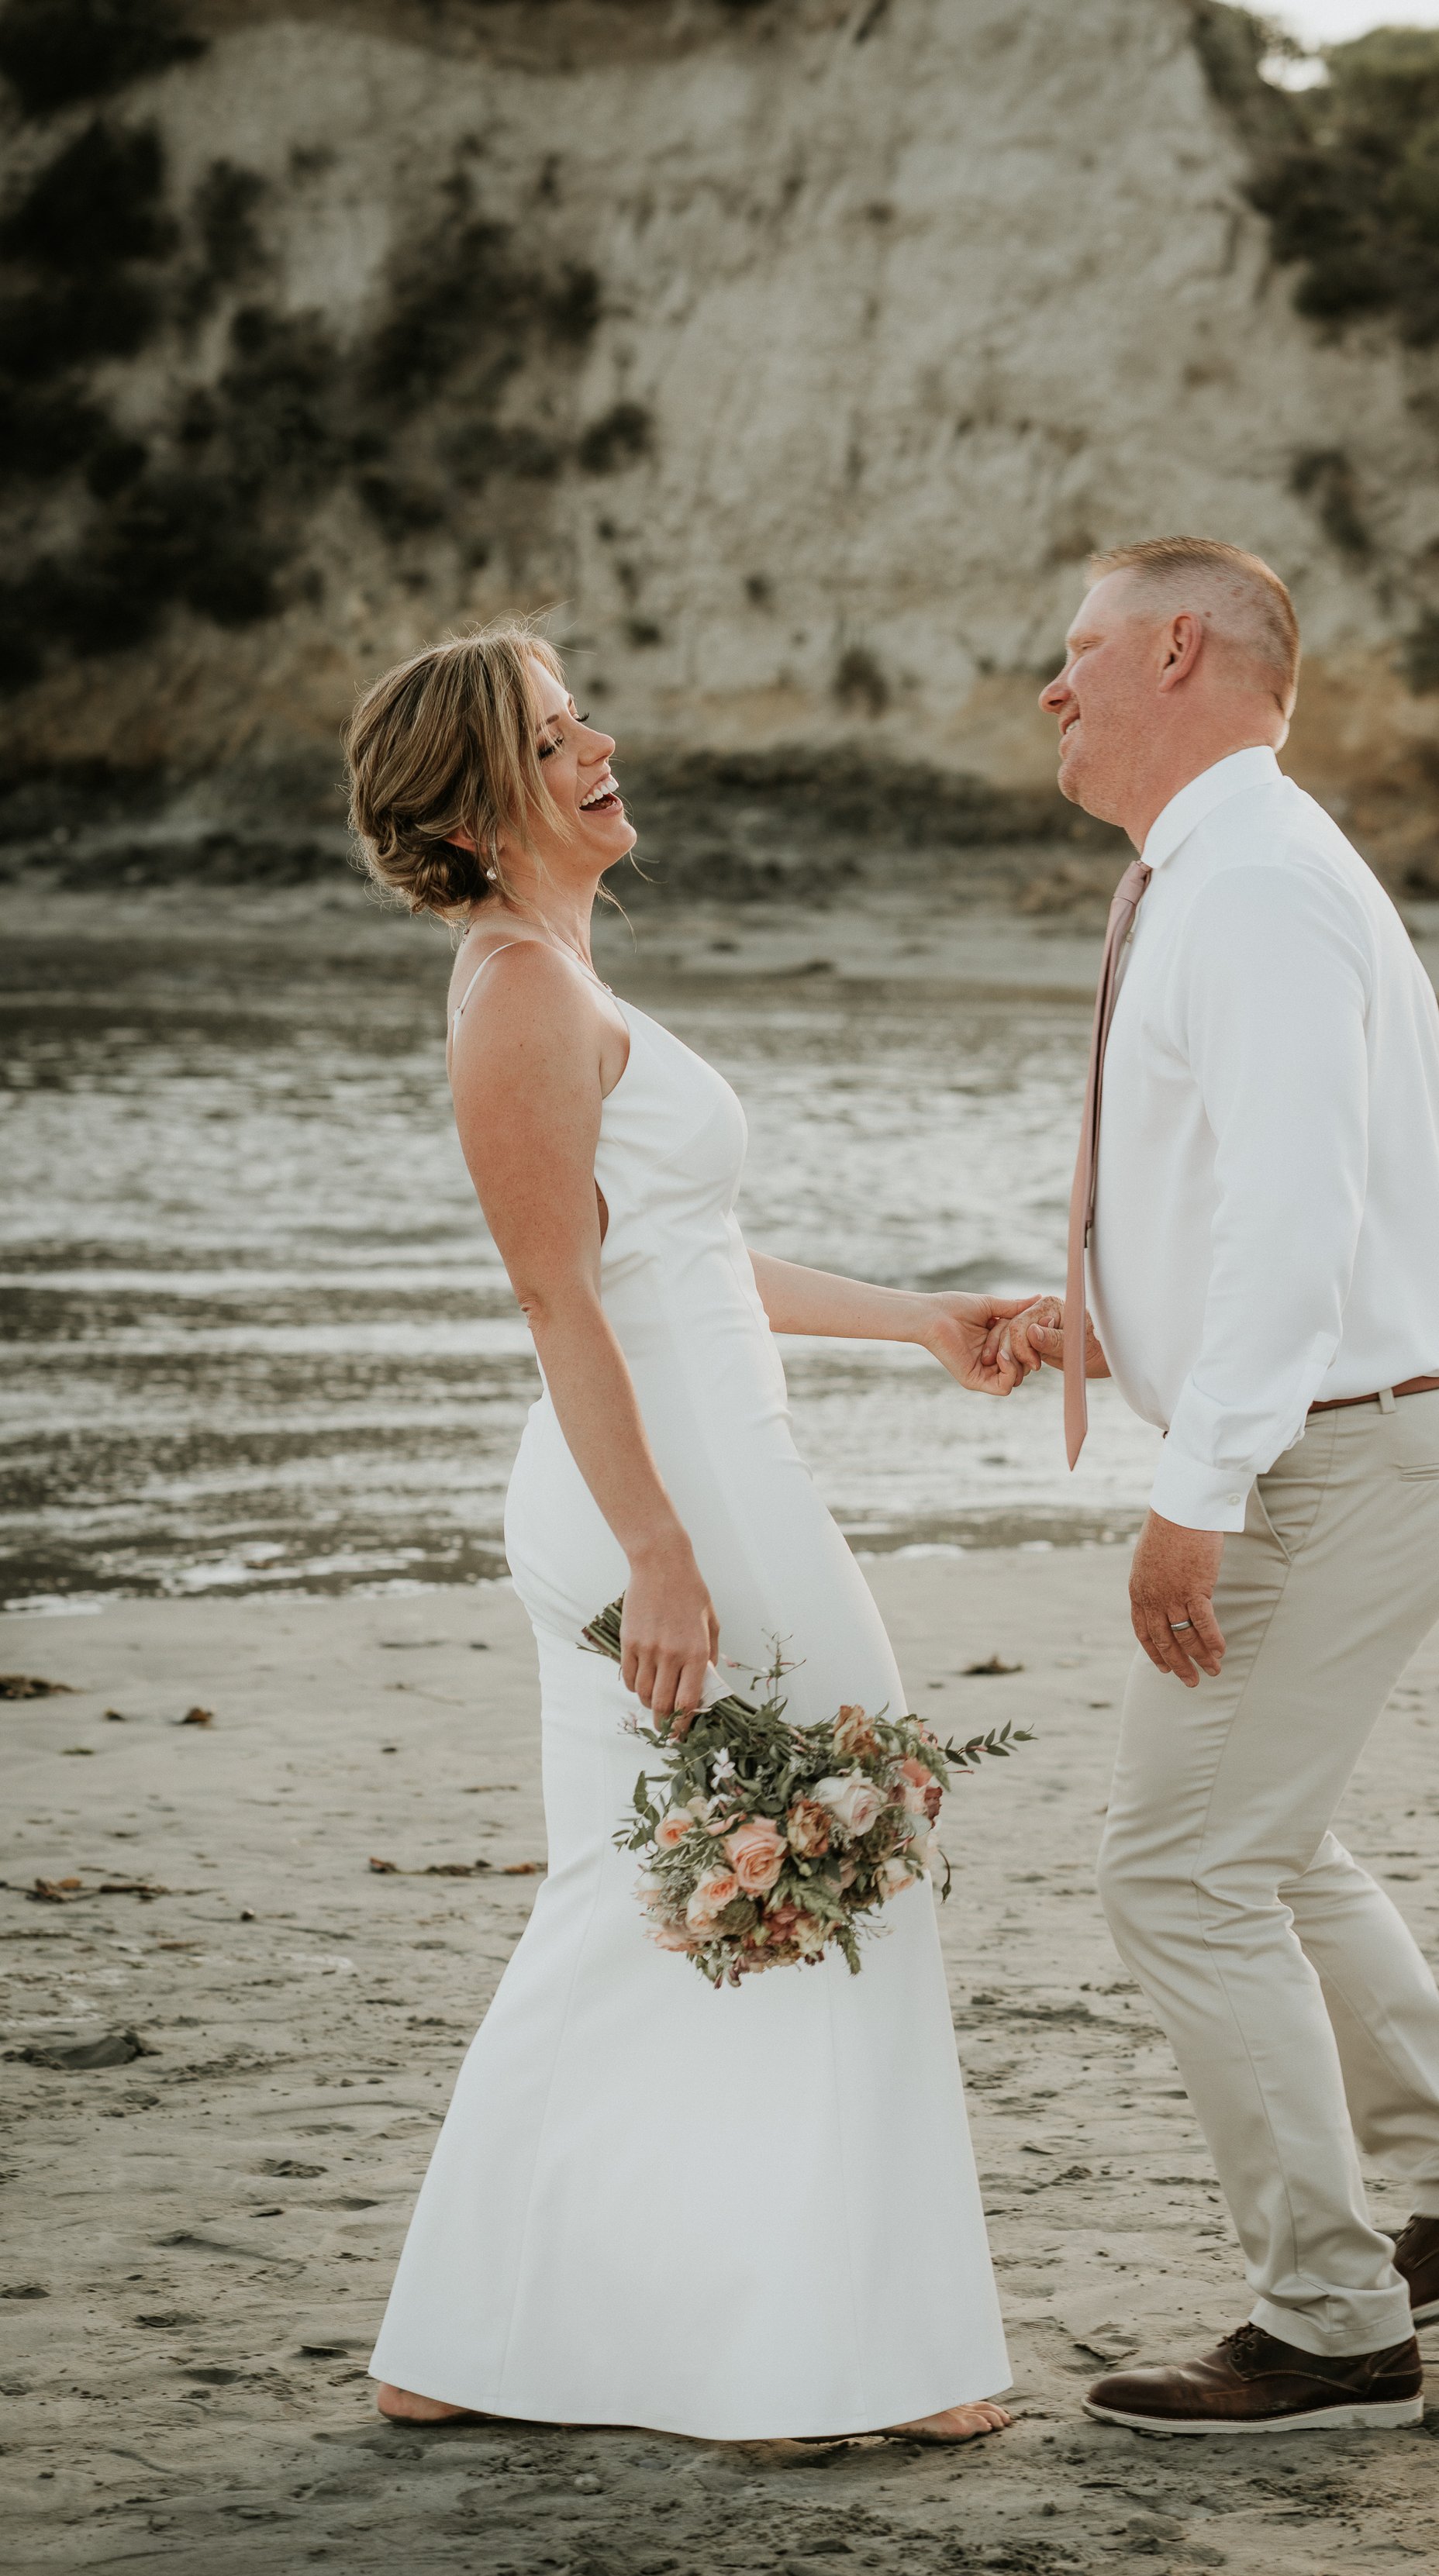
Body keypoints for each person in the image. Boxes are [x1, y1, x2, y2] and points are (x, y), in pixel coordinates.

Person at [343, 616, 1023, 2443]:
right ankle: (811, 2354)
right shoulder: (520, 996)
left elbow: (688, 1264)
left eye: (582, 720)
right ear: (484, 803)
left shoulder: (561, 978)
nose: (598, 747)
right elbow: (561, 1302)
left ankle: (469, 2338)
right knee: (838, 1843)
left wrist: (922, 1317)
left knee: (649, 1892)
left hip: (698, 1469)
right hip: (662, 1492)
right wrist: (658, 1547)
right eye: (556, 736)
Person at [1006, 538, 1439, 2436]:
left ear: (1175, 647)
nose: (1052, 687)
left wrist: (1198, 1483)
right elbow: (1244, 1199)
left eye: (1076, 649)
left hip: (1331, 1461)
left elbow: (1294, 1210)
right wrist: (1096, 1308)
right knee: (1261, 1840)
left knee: (1176, 1869)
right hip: (1353, 1437)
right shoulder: (1227, 866)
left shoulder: (1249, 878)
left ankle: (1332, 2320)